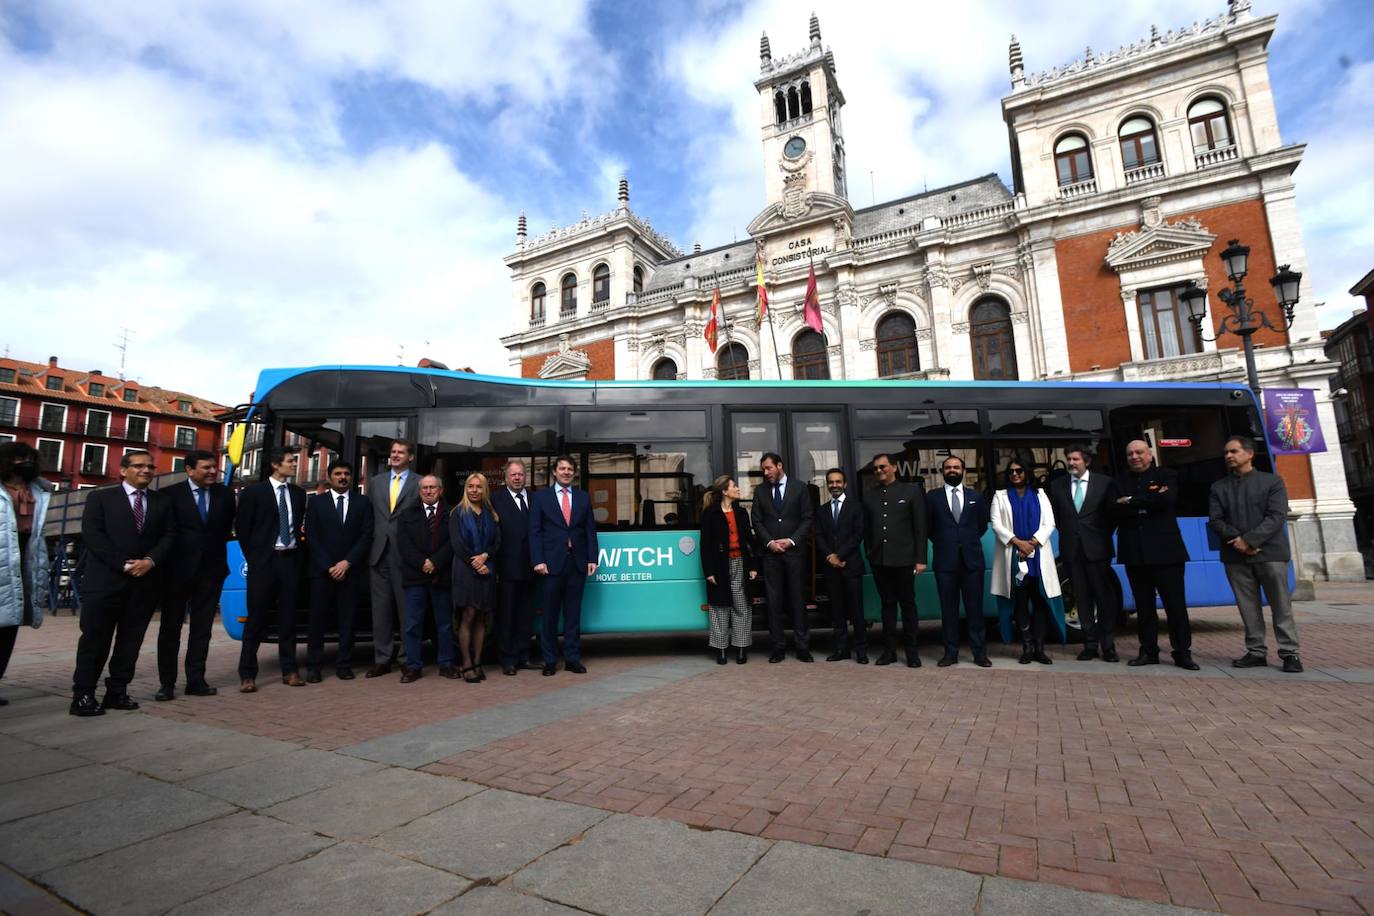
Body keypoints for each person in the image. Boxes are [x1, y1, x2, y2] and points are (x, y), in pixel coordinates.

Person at [70, 449, 175, 716]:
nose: (146, 470)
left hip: (144, 583)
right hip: (105, 582)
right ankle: (83, 695)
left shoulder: (162, 502)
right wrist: (124, 564)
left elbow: (170, 535)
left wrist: (150, 561)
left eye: (151, 467)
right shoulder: (100, 498)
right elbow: (93, 535)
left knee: (131, 641)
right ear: (123, 470)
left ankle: (117, 691)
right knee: (95, 640)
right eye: (139, 465)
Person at [1209, 436, 1303, 673]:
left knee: (1281, 605)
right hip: (1235, 556)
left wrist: (1249, 540)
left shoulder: (1273, 482)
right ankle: (1256, 651)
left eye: (1234, 451)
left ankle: (1290, 653)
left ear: (1249, 454)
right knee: (1247, 606)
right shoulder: (1219, 487)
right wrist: (1239, 541)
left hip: (1270, 554)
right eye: (1226, 453)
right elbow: (1216, 520)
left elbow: (1276, 516)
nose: (1229, 456)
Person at [155, 449, 236, 701]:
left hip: (211, 571)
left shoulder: (225, 494)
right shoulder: (169, 495)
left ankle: (196, 680)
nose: (213, 471)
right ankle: (166, 684)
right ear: (190, 470)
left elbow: (225, 529)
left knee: (202, 629)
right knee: (171, 629)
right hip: (176, 573)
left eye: (214, 467)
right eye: (206, 468)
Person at [1115, 440, 1198, 670]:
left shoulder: (1167, 475)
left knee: (1175, 606)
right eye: (1130, 453)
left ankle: (1182, 653)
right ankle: (1148, 651)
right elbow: (1113, 507)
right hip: (1134, 553)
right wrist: (1144, 501)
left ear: (1150, 455)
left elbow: (1166, 500)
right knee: (1143, 607)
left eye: (1139, 452)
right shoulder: (1120, 480)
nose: (1135, 456)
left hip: (1167, 552)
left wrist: (1130, 501)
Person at [235, 447, 307, 693]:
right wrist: (256, 558)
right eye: (290, 461)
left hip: (290, 562)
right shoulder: (253, 493)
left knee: (288, 618)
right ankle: (247, 674)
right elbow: (243, 529)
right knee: (256, 618)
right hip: (264, 563)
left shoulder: (298, 494)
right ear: (276, 465)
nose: (294, 465)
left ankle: (290, 670)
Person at [1047, 445, 1122, 662]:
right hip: (1072, 551)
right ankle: (1090, 645)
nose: (1071, 463)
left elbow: (1112, 516)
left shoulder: (1104, 483)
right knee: (1082, 599)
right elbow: (1058, 518)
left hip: (1098, 550)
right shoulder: (1058, 486)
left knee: (1104, 598)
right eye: (1069, 459)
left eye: (1075, 459)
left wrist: (1097, 537)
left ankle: (1108, 646)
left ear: (1086, 462)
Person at [303, 459, 373, 682]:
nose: (342, 477)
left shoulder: (363, 502)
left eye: (346, 473)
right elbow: (312, 537)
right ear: (329, 477)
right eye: (338, 473)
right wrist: (328, 566)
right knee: (317, 621)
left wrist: (347, 563)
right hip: (322, 573)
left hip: (350, 572)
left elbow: (366, 535)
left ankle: (344, 664)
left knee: (347, 620)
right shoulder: (316, 503)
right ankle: (314, 666)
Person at [529, 455, 599, 675]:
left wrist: (592, 558)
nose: (566, 472)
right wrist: (538, 560)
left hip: (576, 563)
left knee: (572, 614)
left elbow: (589, 530)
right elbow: (535, 532)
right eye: (562, 468)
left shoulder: (583, 497)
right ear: (554, 472)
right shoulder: (541, 498)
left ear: (574, 472)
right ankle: (549, 661)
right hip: (550, 565)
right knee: (549, 615)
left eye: (570, 469)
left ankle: (572, 658)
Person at [991, 457, 1060, 665]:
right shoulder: (1000, 496)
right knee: (1020, 603)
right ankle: (1027, 647)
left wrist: (1032, 542)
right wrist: (1018, 543)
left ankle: (1040, 648)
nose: (1015, 474)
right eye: (1011, 472)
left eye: (1019, 471)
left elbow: (1050, 522)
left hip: (1037, 555)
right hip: (1013, 555)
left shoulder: (1040, 494)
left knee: (1039, 601)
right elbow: (996, 524)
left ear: (1026, 472)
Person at [862, 453, 928, 667]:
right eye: (876, 468)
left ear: (894, 468)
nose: (879, 471)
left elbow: (920, 528)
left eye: (883, 466)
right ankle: (889, 651)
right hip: (880, 560)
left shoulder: (911, 491)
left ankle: (912, 652)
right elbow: (868, 529)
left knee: (908, 605)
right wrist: (871, 553)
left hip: (905, 559)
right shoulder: (869, 495)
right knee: (887, 606)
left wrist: (920, 559)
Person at [925, 455, 991, 667]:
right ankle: (950, 653)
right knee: (948, 610)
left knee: (975, 610)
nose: (952, 470)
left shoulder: (977, 497)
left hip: (972, 562)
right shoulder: (932, 497)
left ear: (963, 470)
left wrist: (965, 541)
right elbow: (930, 529)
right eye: (948, 467)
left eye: (956, 467)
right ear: (942, 471)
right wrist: (948, 542)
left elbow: (981, 526)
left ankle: (979, 653)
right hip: (945, 562)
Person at [1, 442, 53, 707]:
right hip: (2, 556)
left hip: (24, 559)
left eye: (29, 458)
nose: (25, 463)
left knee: (10, 626)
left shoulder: (39, 491)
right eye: (19, 458)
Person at [751, 452, 815, 663]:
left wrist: (792, 540)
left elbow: (807, 518)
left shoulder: (800, 488)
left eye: (768, 468)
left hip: (795, 553)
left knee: (797, 599)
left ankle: (802, 647)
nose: (766, 473)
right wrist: (770, 543)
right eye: (763, 470)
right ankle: (778, 647)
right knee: (774, 602)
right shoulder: (760, 491)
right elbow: (757, 520)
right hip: (770, 555)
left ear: (779, 465)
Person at [367, 439, 420, 678]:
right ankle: (382, 659)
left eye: (401, 452)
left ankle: (407, 659)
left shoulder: (420, 483)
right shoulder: (376, 482)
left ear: (410, 457)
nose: (396, 455)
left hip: (405, 556)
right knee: (380, 612)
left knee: (406, 611)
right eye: (393, 451)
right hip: (378, 555)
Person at [397, 475, 458, 682]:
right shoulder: (407, 514)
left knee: (445, 624)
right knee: (413, 624)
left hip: (442, 576)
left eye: (433, 487)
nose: (429, 491)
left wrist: (435, 562)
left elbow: (453, 543)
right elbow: (404, 545)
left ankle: (446, 664)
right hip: (415, 577)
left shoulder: (452, 513)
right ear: (419, 490)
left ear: (440, 490)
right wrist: (423, 563)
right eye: (425, 488)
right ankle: (413, 666)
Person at [699, 475, 758, 664]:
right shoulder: (710, 513)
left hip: (740, 562)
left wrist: (753, 566)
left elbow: (749, 541)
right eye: (734, 486)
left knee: (742, 606)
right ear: (725, 491)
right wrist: (709, 571)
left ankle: (741, 648)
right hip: (718, 565)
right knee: (719, 608)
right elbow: (705, 545)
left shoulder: (741, 513)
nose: (738, 489)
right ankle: (721, 649)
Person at [450, 472, 501, 682]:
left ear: (484, 490)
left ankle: (478, 662)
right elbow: (457, 543)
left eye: (479, 487)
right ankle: (466, 663)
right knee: (468, 616)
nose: (474, 490)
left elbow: (497, 542)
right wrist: (475, 562)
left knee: (482, 618)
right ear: (466, 488)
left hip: (486, 569)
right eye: (471, 486)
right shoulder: (457, 513)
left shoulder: (492, 514)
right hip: (465, 570)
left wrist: (485, 556)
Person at [491, 459, 538, 675]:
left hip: (531, 568)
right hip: (506, 569)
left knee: (525, 615)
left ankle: (523, 655)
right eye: (513, 475)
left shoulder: (536, 498)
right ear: (506, 478)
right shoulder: (495, 500)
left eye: (520, 474)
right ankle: (507, 659)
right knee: (507, 615)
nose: (517, 478)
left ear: (525, 476)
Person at [817, 468, 868, 664]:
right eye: (831, 482)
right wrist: (830, 556)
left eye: (838, 482)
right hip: (831, 568)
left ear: (845, 484)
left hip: (851, 566)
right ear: (827, 485)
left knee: (857, 611)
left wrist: (840, 555)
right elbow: (819, 535)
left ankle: (861, 650)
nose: (834, 485)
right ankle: (841, 649)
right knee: (837, 612)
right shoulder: (821, 510)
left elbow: (858, 535)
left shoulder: (856, 507)